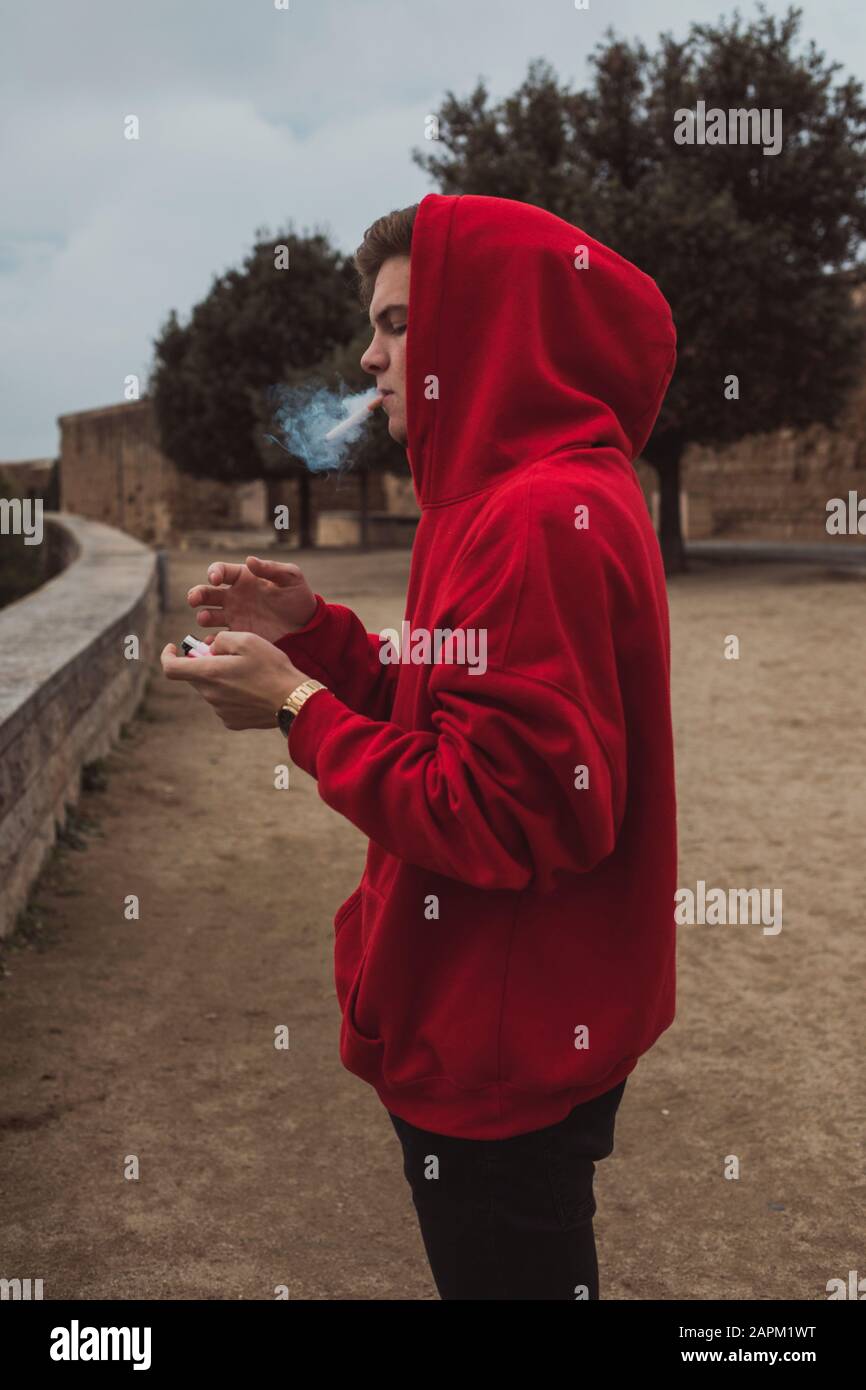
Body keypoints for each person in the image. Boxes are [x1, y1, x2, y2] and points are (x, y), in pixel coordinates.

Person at [161, 193, 678, 1300]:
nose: (369, 353)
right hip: (504, 1017)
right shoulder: (494, 497)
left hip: (500, 1041)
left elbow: (502, 807)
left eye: (397, 323)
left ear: (490, 323)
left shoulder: (540, 515)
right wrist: (322, 640)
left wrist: (297, 707)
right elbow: (455, 690)